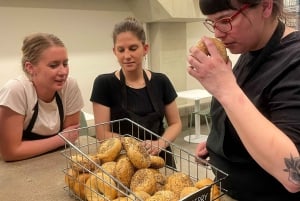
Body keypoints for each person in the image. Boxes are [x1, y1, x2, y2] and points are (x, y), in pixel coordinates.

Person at [187, 0, 300, 200]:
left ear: (266, 6)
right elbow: (258, 117)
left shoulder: (294, 60)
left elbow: (294, 176)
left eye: (225, 20)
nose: (218, 33)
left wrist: (225, 88)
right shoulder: (250, 50)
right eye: (212, 23)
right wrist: (220, 140)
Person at [90, 17, 182, 168]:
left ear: (145, 48)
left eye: (133, 48)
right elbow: (102, 134)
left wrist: (160, 143)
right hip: (123, 162)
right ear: (114, 51)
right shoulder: (104, 84)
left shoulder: (161, 81)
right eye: (121, 50)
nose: (127, 56)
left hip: (160, 157)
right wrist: (136, 148)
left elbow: (175, 123)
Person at [0, 33, 84, 162]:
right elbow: (10, 152)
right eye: (53, 65)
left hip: (58, 161)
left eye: (65, 64)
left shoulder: (69, 86)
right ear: (30, 67)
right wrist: (61, 139)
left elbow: (72, 135)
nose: (63, 72)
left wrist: (65, 139)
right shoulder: (16, 91)